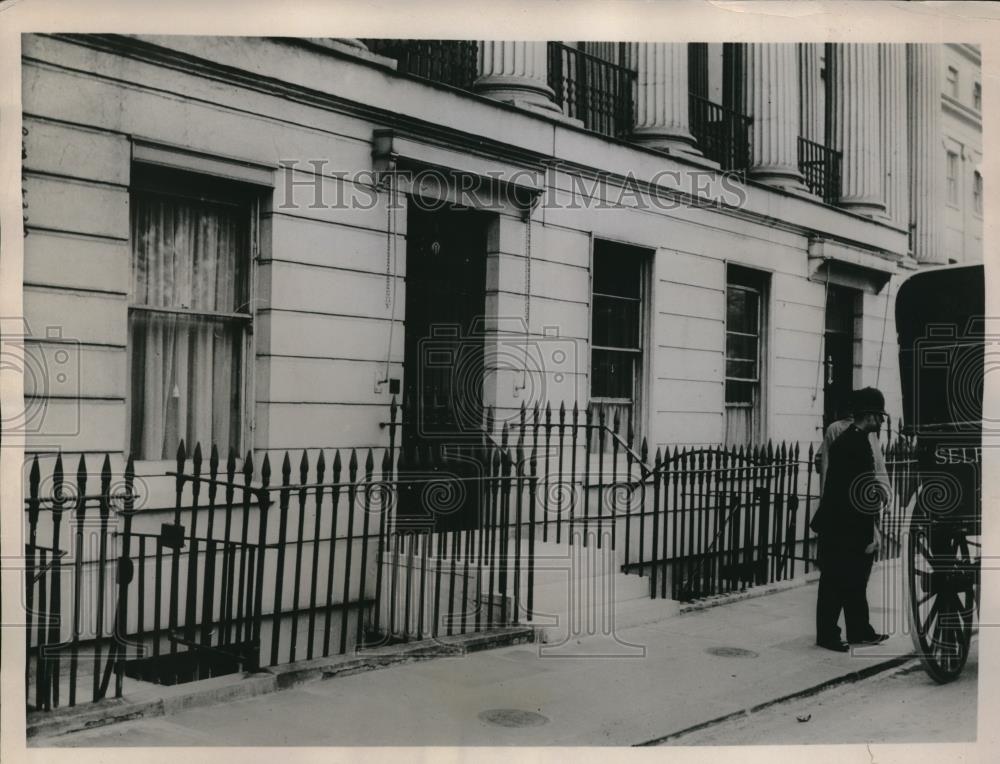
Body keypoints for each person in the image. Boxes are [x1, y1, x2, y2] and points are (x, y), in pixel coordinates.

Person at [810, 387, 891, 652]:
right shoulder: (853, 444)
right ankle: (828, 635)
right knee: (836, 580)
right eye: (879, 417)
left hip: (846, 523)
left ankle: (859, 630)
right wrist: (871, 531)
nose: (881, 422)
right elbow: (856, 494)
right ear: (868, 416)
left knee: (855, 580)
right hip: (843, 525)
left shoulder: (855, 440)